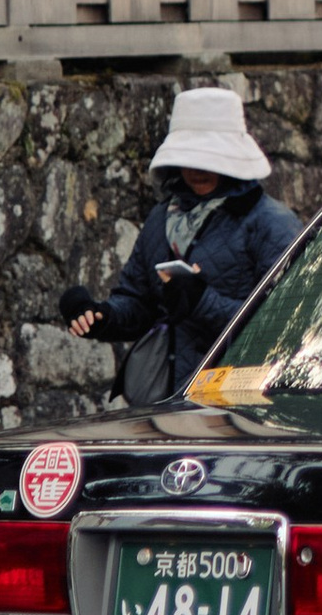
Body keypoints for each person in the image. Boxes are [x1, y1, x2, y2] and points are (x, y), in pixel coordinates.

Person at [66, 88, 303, 400]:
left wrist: (200, 299)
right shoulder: (162, 217)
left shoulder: (271, 223)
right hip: (166, 404)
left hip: (241, 405)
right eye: (189, 160)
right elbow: (139, 302)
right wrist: (99, 316)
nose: (197, 170)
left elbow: (287, 326)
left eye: (207, 160)